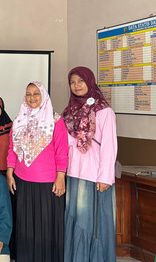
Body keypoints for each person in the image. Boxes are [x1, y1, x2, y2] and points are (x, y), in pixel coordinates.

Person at [6, 82, 68, 262]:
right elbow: (12, 149)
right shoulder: (19, 120)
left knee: (46, 226)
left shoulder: (55, 120)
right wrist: (10, 172)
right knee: (25, 226)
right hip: (22, 181)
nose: (32, 98)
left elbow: (62, 151)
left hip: (48, 183)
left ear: (44, 96)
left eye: (36, 94)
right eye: (28, 94)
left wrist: (61, 177)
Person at [62, 67, 117, 262]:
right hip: (74, 174)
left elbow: (109, 146)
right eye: (72, 82)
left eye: (80, 81)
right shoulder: (68, 112)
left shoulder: (104, 111)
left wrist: (105, 177)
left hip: (94, 177)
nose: (76, 86)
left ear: (90, 81)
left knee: (91, 224)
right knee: (75, 220)